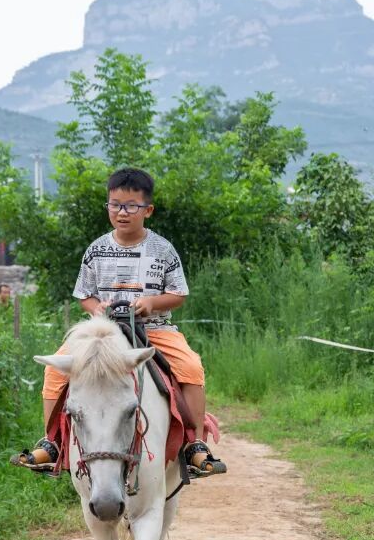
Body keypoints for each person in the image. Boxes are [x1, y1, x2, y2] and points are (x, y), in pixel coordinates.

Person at [12, 168, 225, 477]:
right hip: (103, 332)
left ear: (148, 210)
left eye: (131, 206)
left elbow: (178, 294)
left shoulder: (163, 249)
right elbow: (84, 295)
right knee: (55, 369)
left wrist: (151, 303)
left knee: (191, 366)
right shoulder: (96, 249)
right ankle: (52, 442)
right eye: (115, 205)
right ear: (108, 206)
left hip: (155, 329)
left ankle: (194, 444)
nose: (122, 212)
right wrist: (96, 308)